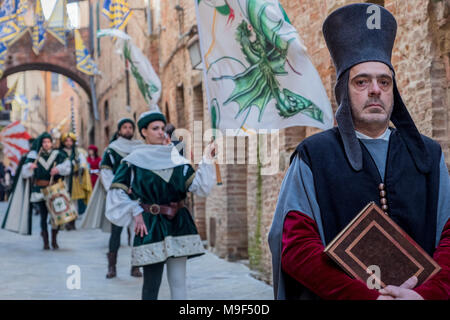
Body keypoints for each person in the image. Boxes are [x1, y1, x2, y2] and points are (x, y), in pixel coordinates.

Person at [268, 3, 450, 300]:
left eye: (384, 81)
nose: (375, 89)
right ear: (343, 91)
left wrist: (426, 295)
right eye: (361, 81)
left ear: (393, 91)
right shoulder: (314, 155)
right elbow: (297, 247)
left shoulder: (429, 155)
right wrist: (366, 297)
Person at [105, 107, 217, 300]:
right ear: (144, 132)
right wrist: (135, 211)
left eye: (162, 128)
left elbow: (199, 187)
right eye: (155, 128)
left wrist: (207, 158)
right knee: (151, 285)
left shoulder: (178, 160)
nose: (161, 132)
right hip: (150, 225)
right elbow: (116, 192)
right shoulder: (133, 161)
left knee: (178, 282)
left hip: (178, 222)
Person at [81, 118, 143, 278]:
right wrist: (118, 190)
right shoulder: (112, 149)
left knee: (138, 232)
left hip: (138, 194)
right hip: (120, 196)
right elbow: (106, 173)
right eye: (125, 127)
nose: (128, 130)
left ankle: (136, 266)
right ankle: (112, 267)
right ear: (119, 130)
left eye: (130, 127)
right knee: (116, 232)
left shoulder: (139, 148)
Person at [2, 133, 71, 249]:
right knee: (43, 216)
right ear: (41, 143)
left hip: (54, 190)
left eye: (48, 142)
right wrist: (30, 168)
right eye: (44, 142)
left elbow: (68, 167)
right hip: (40, 190)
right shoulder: (34, 156)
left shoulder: (58, 155)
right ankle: (46, 242)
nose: (46, 144)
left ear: (51, 143)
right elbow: (24, 173)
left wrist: (58, 169)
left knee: (56, 216)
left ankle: (54, 240)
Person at [59, 132, 92, 230]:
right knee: (63, 201)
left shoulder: (77, 152)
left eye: (70, 141)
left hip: (74, 180)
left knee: (74, 202)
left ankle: (72, 222)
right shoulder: (60, 153)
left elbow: (83, 163)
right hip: (63, 179)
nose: (69, 142)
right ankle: (64, 222)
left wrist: (81, 168)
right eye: (67, 141)